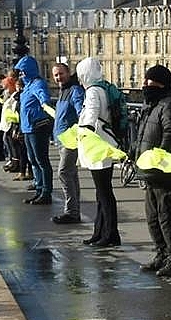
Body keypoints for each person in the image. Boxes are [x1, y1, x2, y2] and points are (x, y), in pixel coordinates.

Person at [135, 65, 171, 277]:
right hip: (150, 169)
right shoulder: (153, 104)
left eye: (151, 82)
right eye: (146, 81)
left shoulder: (169, 104)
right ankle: (161, 254)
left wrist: (160, 157)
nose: (146, 85)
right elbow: (143, 134)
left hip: (164, 170)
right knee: (153, 216)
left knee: (167, 216)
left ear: (162, 83)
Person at [76, 57, 121, 247]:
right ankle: (100, 231)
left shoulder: (93, 91)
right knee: (102, 192)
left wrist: (85, 130)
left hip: (98, 145)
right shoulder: (102, 88)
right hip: (105, 142)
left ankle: (109, 233)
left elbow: (92, 113)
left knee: (103, 192)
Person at [15, 55, 54, 206]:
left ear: (29, 70)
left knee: (41, 160)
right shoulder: (27, 86)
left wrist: (44, 102)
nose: (21, 74)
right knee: (33, 160)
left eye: (23, 71)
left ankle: (46, 192)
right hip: (27, 127)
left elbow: (43, 96)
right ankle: (39, 188)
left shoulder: (37, 84)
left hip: (37, 127)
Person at [51, 63, 85, 224]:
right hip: (61, 139)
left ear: (68, 73)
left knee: (64, 173)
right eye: (56, 75)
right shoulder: (63, 91)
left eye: (61, 74)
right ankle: (74, 211)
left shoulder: (74, 90)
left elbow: (81, 112)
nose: (59, 77)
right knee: (71, 174)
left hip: (70, 139)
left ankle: (71, 211)